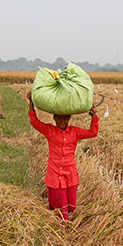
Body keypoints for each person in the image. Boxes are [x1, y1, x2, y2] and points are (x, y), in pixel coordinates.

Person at [27, 91, 99, 221]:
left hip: (70, 173)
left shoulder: (75, 132)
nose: (62, 121)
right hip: (55, 174)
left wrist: (94, 115)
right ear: (54, 118)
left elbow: (93, 132)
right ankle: (62, 227)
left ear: (69, 119)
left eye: (65, 118)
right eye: (59, 118)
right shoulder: (50, 131)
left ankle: (64, 219)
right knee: (61, 208)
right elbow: (34, 122)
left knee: (71, 206)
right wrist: (31, 103)